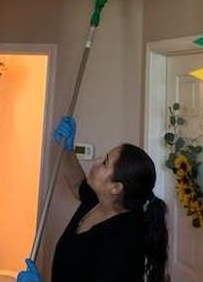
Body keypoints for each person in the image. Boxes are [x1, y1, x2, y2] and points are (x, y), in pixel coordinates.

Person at [17, 116, 169, 282]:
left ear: (116, 187)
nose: (97, 161)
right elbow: (77, 185)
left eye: (105, 162)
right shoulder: (102, 200)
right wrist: (67, 149)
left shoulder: (121, 244)